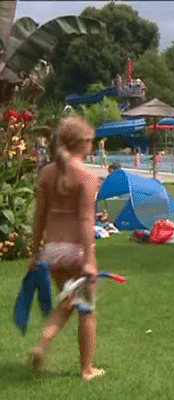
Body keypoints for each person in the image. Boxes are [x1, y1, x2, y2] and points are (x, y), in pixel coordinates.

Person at [27, 116, 105, 380]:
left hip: (52, 251)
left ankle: (45, 340)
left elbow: (39, 215)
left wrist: (34, 252)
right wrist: (90, 259)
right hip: (75, 252)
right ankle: (86, 368)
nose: (91, 147)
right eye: (90, 142)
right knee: (86, 309)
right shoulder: (87, 176)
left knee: (69, 302)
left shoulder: (46, 173)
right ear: (82, 143)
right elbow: (85, 220)